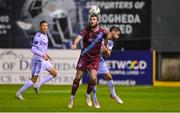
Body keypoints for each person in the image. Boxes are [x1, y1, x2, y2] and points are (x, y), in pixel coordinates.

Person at [68, 15, 108, 108]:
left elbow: (107, 38)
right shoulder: (86, 30)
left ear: (98, 21)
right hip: (84, 57)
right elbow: (79, 37)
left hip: (94, 58)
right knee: (77, 78)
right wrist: (75, 43)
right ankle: (72, 97)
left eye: (94, 19)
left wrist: (105, 46)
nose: (92, 21)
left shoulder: (102, 32)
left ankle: (87, 95)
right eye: (91, 19)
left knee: (93, 79)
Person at [16, 20, 57, 100]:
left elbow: (42, 48)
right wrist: (43, 55)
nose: (45, 27)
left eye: (46, 26)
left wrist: (46, 54)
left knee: (54, 73)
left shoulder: (45, 35)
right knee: (34, 79)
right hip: (38, 60)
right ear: (40, 27)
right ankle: (19, 93)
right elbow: (33, 49)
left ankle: (39, 85)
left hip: (43, 59)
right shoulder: (38, 36)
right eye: (43, 26)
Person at [86, 26, 124, 108]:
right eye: (118, 34)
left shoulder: (111, 42)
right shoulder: (102, 33)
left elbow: (108, 54)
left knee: (109, 76)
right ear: (113, 31)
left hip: (99, 59)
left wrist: (106, 49)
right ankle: (95, 99)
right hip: (90, 58)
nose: (118, 37)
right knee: (94, 80)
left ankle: (113, 95)